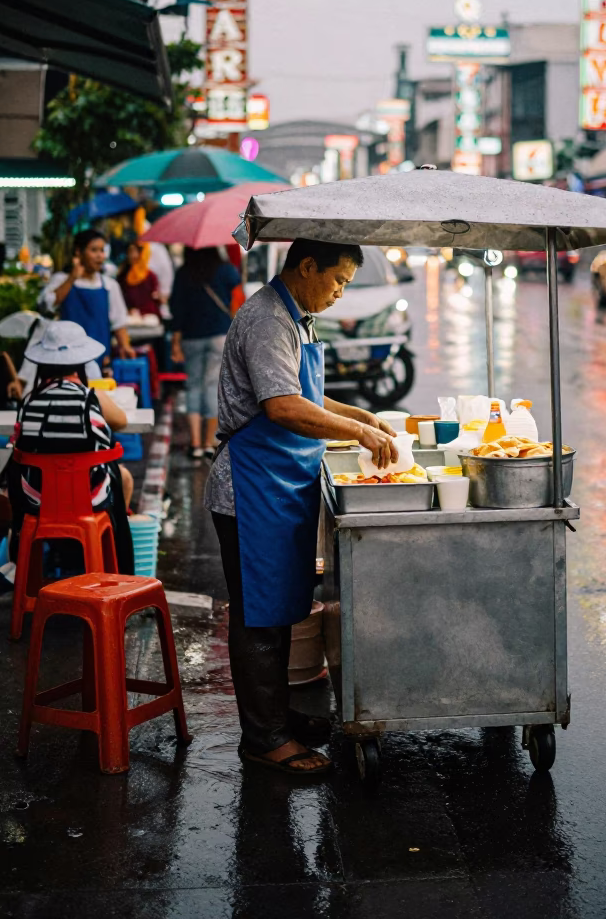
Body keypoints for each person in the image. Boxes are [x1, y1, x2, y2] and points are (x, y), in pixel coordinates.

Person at [204, 238, 398, 779]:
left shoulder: (298, 315)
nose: (339, 294)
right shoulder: (267, 318)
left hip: (280, 483)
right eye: (338, 282)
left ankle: (274, 717)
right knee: (258, 617)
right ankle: (263, 740)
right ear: (307, 266)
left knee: (281, 606)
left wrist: (358, 412)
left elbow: (306, 396)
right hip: (250, 487)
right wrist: (357, 430)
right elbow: (283, 406)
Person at [7, 321, 135, 574]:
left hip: (37, 501)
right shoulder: (89, 399)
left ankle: (56, 556)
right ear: (80, 363)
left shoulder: (29, 401)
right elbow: (118, 425)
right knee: (119, 474)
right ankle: (102, 565)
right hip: (86, 501)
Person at [170, 247, 245, 460]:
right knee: (213, 385)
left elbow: (177, 308)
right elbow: (238, 301)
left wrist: (175, 342)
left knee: (193, 386)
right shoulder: (227, 270)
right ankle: (209, 442)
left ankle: (194, 444)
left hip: (191, 337)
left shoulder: (184, 272)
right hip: (219, 335)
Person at [41, 229, 135, 366]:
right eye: (94, 250)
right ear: (79, 252)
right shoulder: (61, 280)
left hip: (99, 359)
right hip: (66, 361)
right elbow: (47, 305)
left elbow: (119, 322)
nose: (99, 256)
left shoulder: (109, 285)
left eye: (102, 251)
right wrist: (72, 278)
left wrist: (125, 346)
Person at [118, 241, 163, 318]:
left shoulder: (150, 276)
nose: (133, 255)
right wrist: (129, 310)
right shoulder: (122, 276)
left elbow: (155, 299)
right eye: (130, 252)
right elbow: (119, 299)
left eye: (136, 251)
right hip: (130, 317)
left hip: (149, 317)